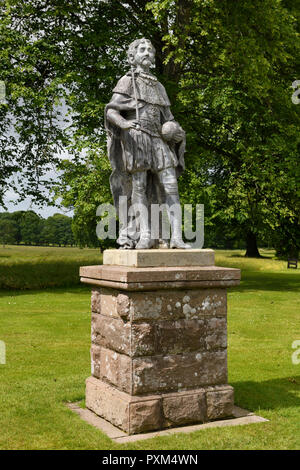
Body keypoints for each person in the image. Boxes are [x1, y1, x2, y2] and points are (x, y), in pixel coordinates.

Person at [105, 38, 190, 249]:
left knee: (171, 186)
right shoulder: (127, 81)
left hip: (159, 140)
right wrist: (124, 124)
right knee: (140, 186)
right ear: (133, 56)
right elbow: (111, 111)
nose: (147, 53)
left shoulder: (159, 86)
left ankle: (177, 238)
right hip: (138, 138)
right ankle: (145, 235)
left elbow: (168, 117)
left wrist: (175, 130)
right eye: (142, 49)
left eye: (150, 50)